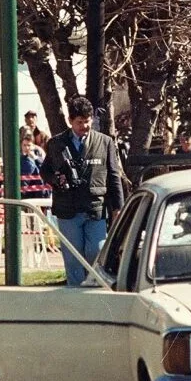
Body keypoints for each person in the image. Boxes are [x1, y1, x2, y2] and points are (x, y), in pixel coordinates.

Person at [41, 96, 124, 286]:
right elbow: (45, 171)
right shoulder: (56, 143)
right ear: (70, 121)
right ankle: (75, 295)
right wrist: (56, 180)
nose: (85, 126)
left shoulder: (105, 142)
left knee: (96, 251)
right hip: (68, 210)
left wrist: (118, 207)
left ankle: (94, 288)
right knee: (73, 257)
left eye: (88, 121)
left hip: (95, 208)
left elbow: (113, 176)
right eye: (80, 122)